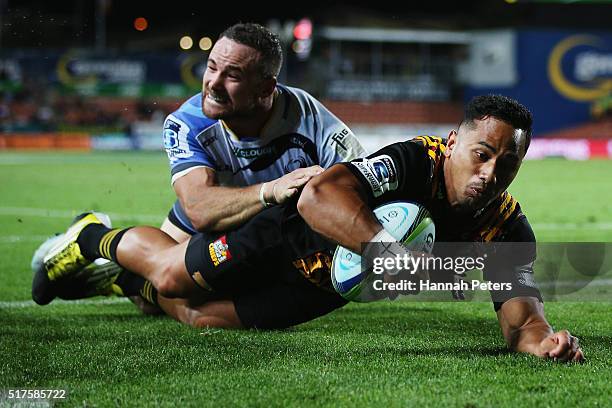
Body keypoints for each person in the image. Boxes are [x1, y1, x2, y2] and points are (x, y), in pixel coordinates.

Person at [34, 95, 584, 362]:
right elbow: (321, 195)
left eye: (505, 165)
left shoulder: (508, 230)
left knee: (202, 317)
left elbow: (522, 324)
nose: (489, 174)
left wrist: (546, 344)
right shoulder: (416, 159)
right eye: (481, 155)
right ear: (455, 141)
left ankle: (118, 279)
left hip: (326, 282)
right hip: (287, 231)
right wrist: (383, 250)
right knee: (174, 277)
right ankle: (91, 237)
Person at [31, 22, 364, 308]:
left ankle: (116, 276)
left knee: (168, 298)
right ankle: (92, 236)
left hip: (267, 226)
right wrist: (271, 190)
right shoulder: (186, 123)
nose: (213, 83)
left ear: (265, 88)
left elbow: (360, 186)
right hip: (215, 209)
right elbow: (201, 209)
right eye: (211, 67)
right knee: (168, 290)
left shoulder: (312, 120)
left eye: (232, 75)